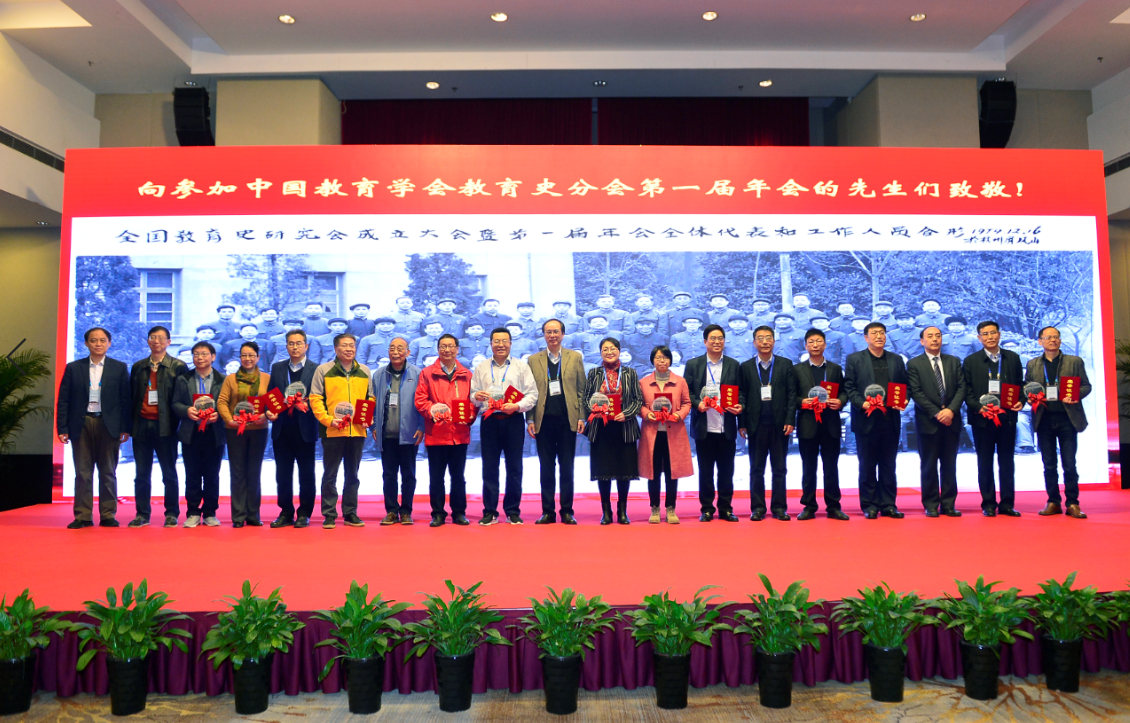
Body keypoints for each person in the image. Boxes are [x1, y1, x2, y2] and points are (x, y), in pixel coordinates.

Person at [57, 327, 132, 529]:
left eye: (102, 340)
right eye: (93, 340)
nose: (98, 344)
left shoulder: (119, 367)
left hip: (109, 425)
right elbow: (64, 400)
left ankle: (108, 514)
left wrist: (125, 427)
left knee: (108, 472)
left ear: (109, 343)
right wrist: (62, 427)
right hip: (81, 423)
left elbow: (125, 400)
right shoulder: (74, 368)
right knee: (83, 472)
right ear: (86, 344)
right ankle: (83, 515)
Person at [471, 327, 539, 525]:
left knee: (514, 467)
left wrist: (517, 406)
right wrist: (476, 396)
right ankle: (490, 511)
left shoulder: (521, 367)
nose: (500, 345)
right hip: (489, 421)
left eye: (504, 341)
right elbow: (472, 395)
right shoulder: (481, 367)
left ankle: (512, 511)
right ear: (490, 344)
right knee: (489, 467)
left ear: (510, 343)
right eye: (496, 341)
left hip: (513, 420)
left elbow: (532, 394)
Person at [845, 322, 909, 519]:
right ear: (866, 337)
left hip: (890, 420)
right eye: (874, 333)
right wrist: (861, 403)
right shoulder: (855, 359)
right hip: (865, 420)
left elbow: (905, 384)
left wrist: (905, 399)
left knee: (889, 465)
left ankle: (889, 505)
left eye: (882, 333)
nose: (879, 336)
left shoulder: (896, 359)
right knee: (867, 465)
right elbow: (849, 386)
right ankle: (869, 505)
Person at [1025, 326, 1091, 519]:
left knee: (1069, 464)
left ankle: (1073, 503)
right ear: (1040, 341)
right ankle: (1053, 501)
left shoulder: (1074, 362)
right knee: (1049, 465)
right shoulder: (1033, 364)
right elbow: (1027, 387)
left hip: (1067, 419)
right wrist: (1029, 398)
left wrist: (1075, 395)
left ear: (1060, 341)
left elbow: (1086, 386)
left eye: (1056, 337)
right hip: (1043, 419)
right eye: (1048, 337)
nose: (1052, 340)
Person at [526, 319, 587, 525]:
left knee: (567, 467)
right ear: (543, 335)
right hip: (543, 421)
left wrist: (581, 416)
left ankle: (567, 511)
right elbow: (530, 392)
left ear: (563, 334)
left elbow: (581, 390)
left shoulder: (575, 357)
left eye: (556, 332)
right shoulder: (533, 360)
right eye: (548, 332)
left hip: (567, 420)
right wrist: (530, 419)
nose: (552, 335)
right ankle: (548, 512)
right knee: (546, 467)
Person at [309, 333, 373, 528]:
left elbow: (370, 397)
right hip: (332, 431)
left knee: (352, 475)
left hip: (357, 432)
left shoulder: (364, 371)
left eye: (352, 345)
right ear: (336, 349)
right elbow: (315, 398)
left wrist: (365, 417)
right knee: (330, 474)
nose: (349, 349)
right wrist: (328, 420)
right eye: (344, 345)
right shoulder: (323, 370)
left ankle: (350, 512)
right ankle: (329, 513)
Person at [963, 321, 1025, 517]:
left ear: (999, 335)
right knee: (985, 462)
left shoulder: (1012, 358)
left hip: (1007, 417)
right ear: (979, 337)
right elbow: (966, 389)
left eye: (993, 333)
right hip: (982, 419)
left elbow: (1020, 384)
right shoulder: (971, 360)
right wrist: (977, 407)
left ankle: (1007, 504)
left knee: (1007, 462)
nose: (990, 337)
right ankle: (988, 503)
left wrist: (1021, 400)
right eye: (985, 334)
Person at [128, 325, 188, 528]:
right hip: (141, 425)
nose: (157, 341)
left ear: (169, 342)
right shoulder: (138, 367)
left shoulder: (178, 366)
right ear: (148, 341)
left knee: (169, 473)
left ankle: (171, 513)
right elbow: (132, 397)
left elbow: (181, 398)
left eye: (161, 338)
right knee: (141, 474)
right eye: (153, 337)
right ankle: (142, 514)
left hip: (166, 426)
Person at [415, 334, 477, 526]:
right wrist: (432, 410)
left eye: (451, 346)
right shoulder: (427, 374)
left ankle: (459, 513)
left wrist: (469, 416)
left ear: (457, 349)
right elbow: (420, 400)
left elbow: (473, 401)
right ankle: (438, 513)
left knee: (458, 476)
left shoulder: (467, 374)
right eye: (443, 346)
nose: (447, 350)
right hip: (437, 433)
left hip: (459, 433)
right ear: (438, 349)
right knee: (436, 477)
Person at [684, 324, 743, 521]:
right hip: (704, 426)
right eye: (713, 338)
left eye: (720, 338)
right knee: (706, 471)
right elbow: (687, 392)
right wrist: (697, 404)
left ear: (724, 341)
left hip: (726, 425)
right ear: (705, 342)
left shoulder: (734, 365)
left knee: (726, 472)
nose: (717, 342)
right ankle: (707, 509)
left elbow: (741, 392)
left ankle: (726, 509)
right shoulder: (694, 364)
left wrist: (740, 405)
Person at [581, 338, 643, 525]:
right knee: (604, 471)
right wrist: (596, 409)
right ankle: (606, 511)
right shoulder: (594, 373)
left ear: (619, 350)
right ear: (600, 352)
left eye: (613, 348)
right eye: (605, 349)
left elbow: (638, 399)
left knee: (624, 470)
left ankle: (622, 511)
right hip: (601, 427)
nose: (609, 352)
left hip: (624, 426)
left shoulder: (630, 373)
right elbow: (586, 398)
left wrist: (627, 413)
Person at [907, 326, 967, 517]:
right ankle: (931, 504)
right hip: (928, 422)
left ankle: (949, 504)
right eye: (930, 336)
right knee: (929, 465)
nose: (935, 339)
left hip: (951, 420)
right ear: (922, 341)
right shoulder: (914, 364)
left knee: (949, 465)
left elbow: (961, 388)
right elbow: (916, 392)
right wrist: (937, 413)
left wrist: (950, 410)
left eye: (938, 336)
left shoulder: (953, 361)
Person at [739, 326, 797, 521]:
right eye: (760, 338)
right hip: (756, 426)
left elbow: (791, 394)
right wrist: (742, 423)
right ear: (754, 342)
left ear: (774, 341)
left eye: (768, 338)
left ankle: (779, 508)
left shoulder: (785, 364)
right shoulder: (746, 366)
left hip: (780, 426)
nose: (765, 341)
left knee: (779, 469)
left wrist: (790, 420)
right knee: (756, 469)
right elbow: (742, 395)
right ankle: (758, 508)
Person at [792, 329, 849, 520]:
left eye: (819, 341)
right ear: (806, 346)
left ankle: (833, 506)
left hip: (830, 424)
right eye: (811, 342)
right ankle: (809, 506)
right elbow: (791, 395)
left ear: (825, 345)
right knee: (808, 468)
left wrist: (840, 401)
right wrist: (802, 402)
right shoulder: (797, 370)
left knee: (831, 468)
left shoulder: (834, 369)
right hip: (807, 424)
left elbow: (844, 391)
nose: (815, 345)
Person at [266, 328, 319, 528]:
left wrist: (307, 405)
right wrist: (269, 411)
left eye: (299, 343)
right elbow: (271, 395)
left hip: (305, 428)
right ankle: (286, 512)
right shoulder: (277, 367)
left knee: (307, 474)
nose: (295, 347)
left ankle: (304, 513)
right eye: (291, 343)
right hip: (282, 429)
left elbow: (321, 397)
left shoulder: (316, 369)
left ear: (306, 346)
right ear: (286, 346)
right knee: (283, 474)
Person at [370, 337, 424, 525]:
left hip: (409, 434)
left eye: (400, 348)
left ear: (408, 352)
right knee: (389, 475)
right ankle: (391, 511)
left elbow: (422, 402)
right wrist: (373, 426)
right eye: (392, 348)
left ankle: (406, 511)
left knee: (409, 475)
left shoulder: (417, 374)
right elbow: (371, 401)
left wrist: (421, 427)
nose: (395, 352)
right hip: (386, 435)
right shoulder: (378, 375)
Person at [172, 341, 225, 528]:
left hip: (214, 433)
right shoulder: (183, 379)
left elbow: (228, 404)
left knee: (212, 475)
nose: (200, 357)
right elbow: (175, 403)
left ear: (213, 357)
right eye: (196, 354)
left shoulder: (223, 379)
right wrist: (186, 410)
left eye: (204, 354)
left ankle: (210, 512)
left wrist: (219, 414)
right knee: (192, 474)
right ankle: (193, 512)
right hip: (191, 432)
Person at [217, 341, 270, 527]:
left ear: (258, 357)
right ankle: (238, 515)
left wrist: (265, 416)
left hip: (258, 430)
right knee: (238, 471)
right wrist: (228, 419)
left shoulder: (266, 378)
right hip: (234, 430)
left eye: (251, 355)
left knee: (254, 471)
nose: (248, 359)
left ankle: (253, 514)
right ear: (239, 358)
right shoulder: (230, 379)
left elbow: (274, 403)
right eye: (244, 355)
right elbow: (222, 401)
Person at [638, 346, 692, 524]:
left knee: (671, 472)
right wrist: (647, 414)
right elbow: (639, 405)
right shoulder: (644, 382)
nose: (662, 361)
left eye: (665, 358)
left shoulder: (680, 382)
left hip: (673, 433)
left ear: (670, 360)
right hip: (652, 434)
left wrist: (679, 415)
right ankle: (654, 508)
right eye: (658, 358)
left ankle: (671, 508)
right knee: (653, 473)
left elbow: (687, 403)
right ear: (652, 360)